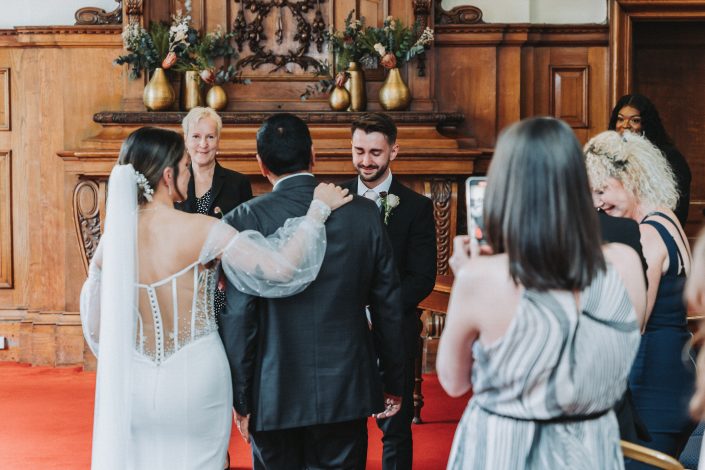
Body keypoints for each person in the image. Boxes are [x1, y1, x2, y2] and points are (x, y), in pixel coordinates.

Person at [79, 126, 352, 470]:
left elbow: (96, 329)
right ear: (167, 176)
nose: (189, 174)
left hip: (135, 380)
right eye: (184, 167)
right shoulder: (201, 229)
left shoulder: (111, 242)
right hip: (197, 375)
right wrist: (316, 212)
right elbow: (281, 268)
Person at [437, 117, 646, 470]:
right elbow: (615, 352)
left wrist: (467, 279)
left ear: (505, 187)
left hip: (506, 451)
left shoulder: (482, 277)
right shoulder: (624, 263)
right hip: (591, 448)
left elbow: (454, 382)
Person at [221, 113, 405, 469]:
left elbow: (239, 318)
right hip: (346, 387)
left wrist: (241, 399)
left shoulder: (242, 221)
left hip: (273, 392)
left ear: (261, 164)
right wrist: (392, 379)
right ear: (313, 155)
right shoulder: (364, 215)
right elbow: (388, 307)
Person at [586, 129, 696, 463]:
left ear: (631, 178)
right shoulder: (668, 218)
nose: (597, 202)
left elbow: (634, 323)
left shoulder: (647, 235)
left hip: (650, 381)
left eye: (603, 190)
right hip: (674, 370)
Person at [341, 112, 437, 470]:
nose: (366, 161)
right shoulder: (335, 199)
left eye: (375, 153)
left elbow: (421, 277)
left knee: (396, 428)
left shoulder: (416, 207)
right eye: (359, 150)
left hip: (395, 328)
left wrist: (377, 309)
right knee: (347, 427)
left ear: (393, 151)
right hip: (345, 330)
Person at [609, 93, 691, 226]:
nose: (625, 125)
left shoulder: (671, 158)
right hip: (617, 228)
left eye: (635, 120)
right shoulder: (607, 154)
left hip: (654, 229)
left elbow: (679, 209)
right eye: (620, 119)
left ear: (647, 124)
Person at [176, 106, 252, 218]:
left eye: (210, 137)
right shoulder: (173, 181)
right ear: (186, 140)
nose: (203, 144)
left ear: (218, 140)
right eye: (196, 136)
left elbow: (246, 229)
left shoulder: (239, 183)